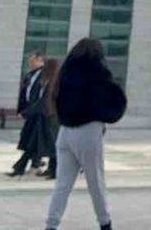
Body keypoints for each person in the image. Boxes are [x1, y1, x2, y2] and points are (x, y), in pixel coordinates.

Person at [45, 38, 127, 230]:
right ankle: (105, 223)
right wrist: (105, 116)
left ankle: (51, 225)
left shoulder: (64, 72)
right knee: (96, 182)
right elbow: (116, 99)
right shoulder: (97, 72)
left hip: (65, 132)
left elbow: (56, 100)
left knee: (62, 185)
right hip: (88, 131)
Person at [7, 50, 46, 177]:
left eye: (33, 61)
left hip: (39, 113)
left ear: (40, 61)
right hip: (30, 111)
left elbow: (42, 97)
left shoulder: (45, 75)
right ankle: (35, 164)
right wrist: (22, 110)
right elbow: (25, 93)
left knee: (33, 139)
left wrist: (28, 111)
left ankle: (25, 166)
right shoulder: (30, 75)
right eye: (30, 61)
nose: (31, 63)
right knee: (31, 139)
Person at [38, 58, 61, 179]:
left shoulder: (56, 81)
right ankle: (51, 168)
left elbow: (55, 98)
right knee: (52, 144)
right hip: (50, 115)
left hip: (55, 116)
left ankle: (55, 170)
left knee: (55, 143)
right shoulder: (49, 81)